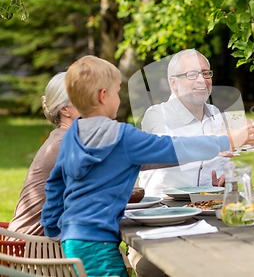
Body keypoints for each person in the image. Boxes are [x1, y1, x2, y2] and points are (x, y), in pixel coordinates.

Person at [40, 55, 242, 277]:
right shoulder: (123, 137)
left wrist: (52, 225)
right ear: (103, 96)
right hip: (99, 244)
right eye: (117, 92)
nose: (119, 98)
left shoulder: (72, 135)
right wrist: (228, 141)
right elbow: (175, 148)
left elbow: (55, 183)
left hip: (73, 238)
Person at [139, 49, 231, 196]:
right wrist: (221, 143)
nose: (202, 80)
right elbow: (171, 151)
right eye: (192, 74)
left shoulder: (215, 113)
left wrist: (226, 178)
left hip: (208, 205)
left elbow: (225, 163)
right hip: (164, 209)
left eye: (205, 73)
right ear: (173, 83)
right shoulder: (156, 115)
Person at [8, 72, 80, 235]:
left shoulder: (63, 137)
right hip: (36, 250)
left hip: (36, 243)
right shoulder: (68, 143)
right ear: (65, 110)